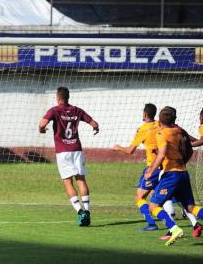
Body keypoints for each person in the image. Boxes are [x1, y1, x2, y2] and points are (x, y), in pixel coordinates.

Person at [39, 87, 99, 226]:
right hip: (77, 150)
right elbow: (94, 123)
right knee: (81, 180)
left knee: (67, 182)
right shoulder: (77, 110)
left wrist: (42, 130)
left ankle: (79, 212)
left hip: (63, 152)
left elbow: (42, 124)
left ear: (58, 98)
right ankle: (87, 211)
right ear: (68, 97)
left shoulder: (54, 110)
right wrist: (95, 128)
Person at [145, 107, 203, 246]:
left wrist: (150, 171)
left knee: (153, 206)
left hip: (171, 174)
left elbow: (162, 153)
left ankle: (174, 228)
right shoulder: (179, 131)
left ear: (159, 121)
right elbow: (189, 149)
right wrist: (183, 162)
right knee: (190, 207)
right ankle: (179, 227)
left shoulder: (161, 133)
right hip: (183, 172)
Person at [112, 103, 162, 232]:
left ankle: (151, 224)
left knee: (140, 197)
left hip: (153, 167)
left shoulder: (143, 129)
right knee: (159, 193)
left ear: (145, 114)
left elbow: (130, 151)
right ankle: (185, 210)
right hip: (165, 165)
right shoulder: (160, 124)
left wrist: (118, 147)